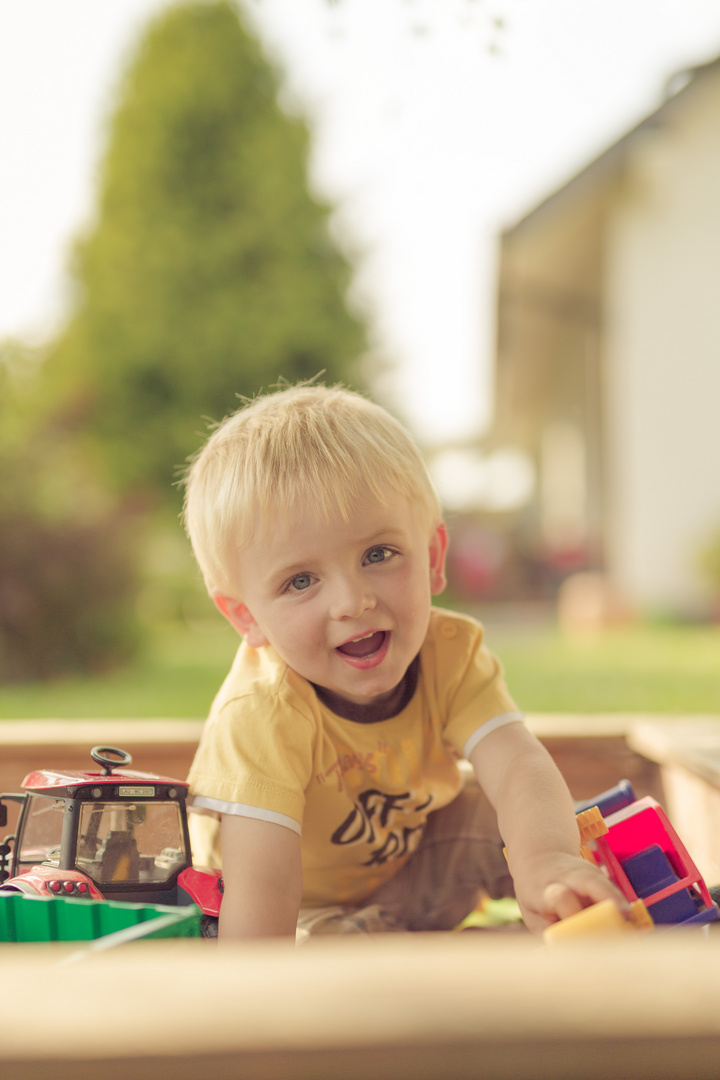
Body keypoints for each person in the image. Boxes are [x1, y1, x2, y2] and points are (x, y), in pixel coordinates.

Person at [183, 383, 623, 940]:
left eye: (378, 555)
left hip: (416, 863)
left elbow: (516, 765)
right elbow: (263, 895)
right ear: (246, 616)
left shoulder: (449, 652)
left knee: (529, 816)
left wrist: (546, 860)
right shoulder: (262, 714)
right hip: (304, 906)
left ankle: (572, 895)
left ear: (433, 557)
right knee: (326, 964)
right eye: (300, 580)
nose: (352, 601)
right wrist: (262, 1003)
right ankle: (457, 960)